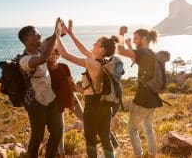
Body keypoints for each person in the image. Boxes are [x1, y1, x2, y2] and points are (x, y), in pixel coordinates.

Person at [55, 19, 118, 158]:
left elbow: (65, 55)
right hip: (105, 107)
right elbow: (83, 49)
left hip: (92, 107)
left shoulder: (92, 64)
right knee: (105, 138)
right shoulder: (103, 62)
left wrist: (57, 35)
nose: (93, 44)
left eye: (96, 43)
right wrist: (71, 34)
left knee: (90, 141)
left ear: (101, 49)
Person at [18, 18, 63, 158]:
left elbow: (53, 38)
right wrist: (56, 34)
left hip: (52, 99)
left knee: (57, 133)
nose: (39, 35)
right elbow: (43, 59)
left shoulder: (41, 47)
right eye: (34, 34)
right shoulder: (24, 60)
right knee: (37, 137)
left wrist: (61, 30)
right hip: (36, 103)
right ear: (26, 39)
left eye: (39, 33)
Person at [117, 27, 162, 158]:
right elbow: (134, 58)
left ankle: (138, 156)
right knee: (148, 128)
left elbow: (120, 51)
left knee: (132, 129)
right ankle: (153, 155)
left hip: (142, 99)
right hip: (153, 99)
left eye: (136, 38)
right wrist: (129, 44)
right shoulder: (151, 54)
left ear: (143, 39)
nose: (135, 40)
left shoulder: (142, 52)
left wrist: (121, 34)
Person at [46, 47, 84, 158]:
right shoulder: (44, 70)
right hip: (56, 103)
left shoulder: (63, 67)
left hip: (70, 97)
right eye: (49, 54)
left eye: (54, 54)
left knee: (85, 118)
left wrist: (72, 103)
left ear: (58, 55)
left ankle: (102, 138)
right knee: (59, 130)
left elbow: (70, 84)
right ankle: (62, 154)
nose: (52, 56)